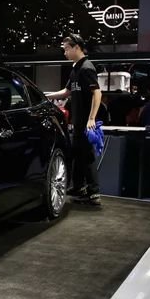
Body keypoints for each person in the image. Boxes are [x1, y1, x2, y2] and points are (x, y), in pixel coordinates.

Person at [47, 34, 102, 206]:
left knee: (87, 156)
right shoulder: (75, 69)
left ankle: (94, 193)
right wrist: (46, 96)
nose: (65, 53)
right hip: (77, 123)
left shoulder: (86, 68)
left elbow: (97, 93)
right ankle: (79, 187)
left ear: (76, 47)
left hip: (86, 123)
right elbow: (66, 92)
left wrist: (91, 118)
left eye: (66, 49)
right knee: (78, 155)